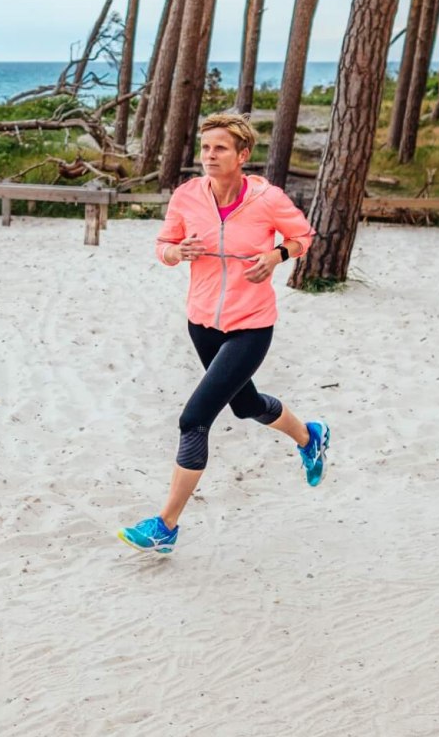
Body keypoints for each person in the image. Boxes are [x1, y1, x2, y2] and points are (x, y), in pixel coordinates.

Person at [118, 112, 327, 553]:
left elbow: (305, 236)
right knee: (245, 404)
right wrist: (177, 251)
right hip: (202, 324)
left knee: (194, 419)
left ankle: (166, 526)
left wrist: (276, 255)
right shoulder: (187, 196)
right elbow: (162, 246)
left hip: (251, 327)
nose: (209, 156)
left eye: (220, 149)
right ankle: (309, 435)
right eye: (206, 147)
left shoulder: (267, 199)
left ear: (242, 155)